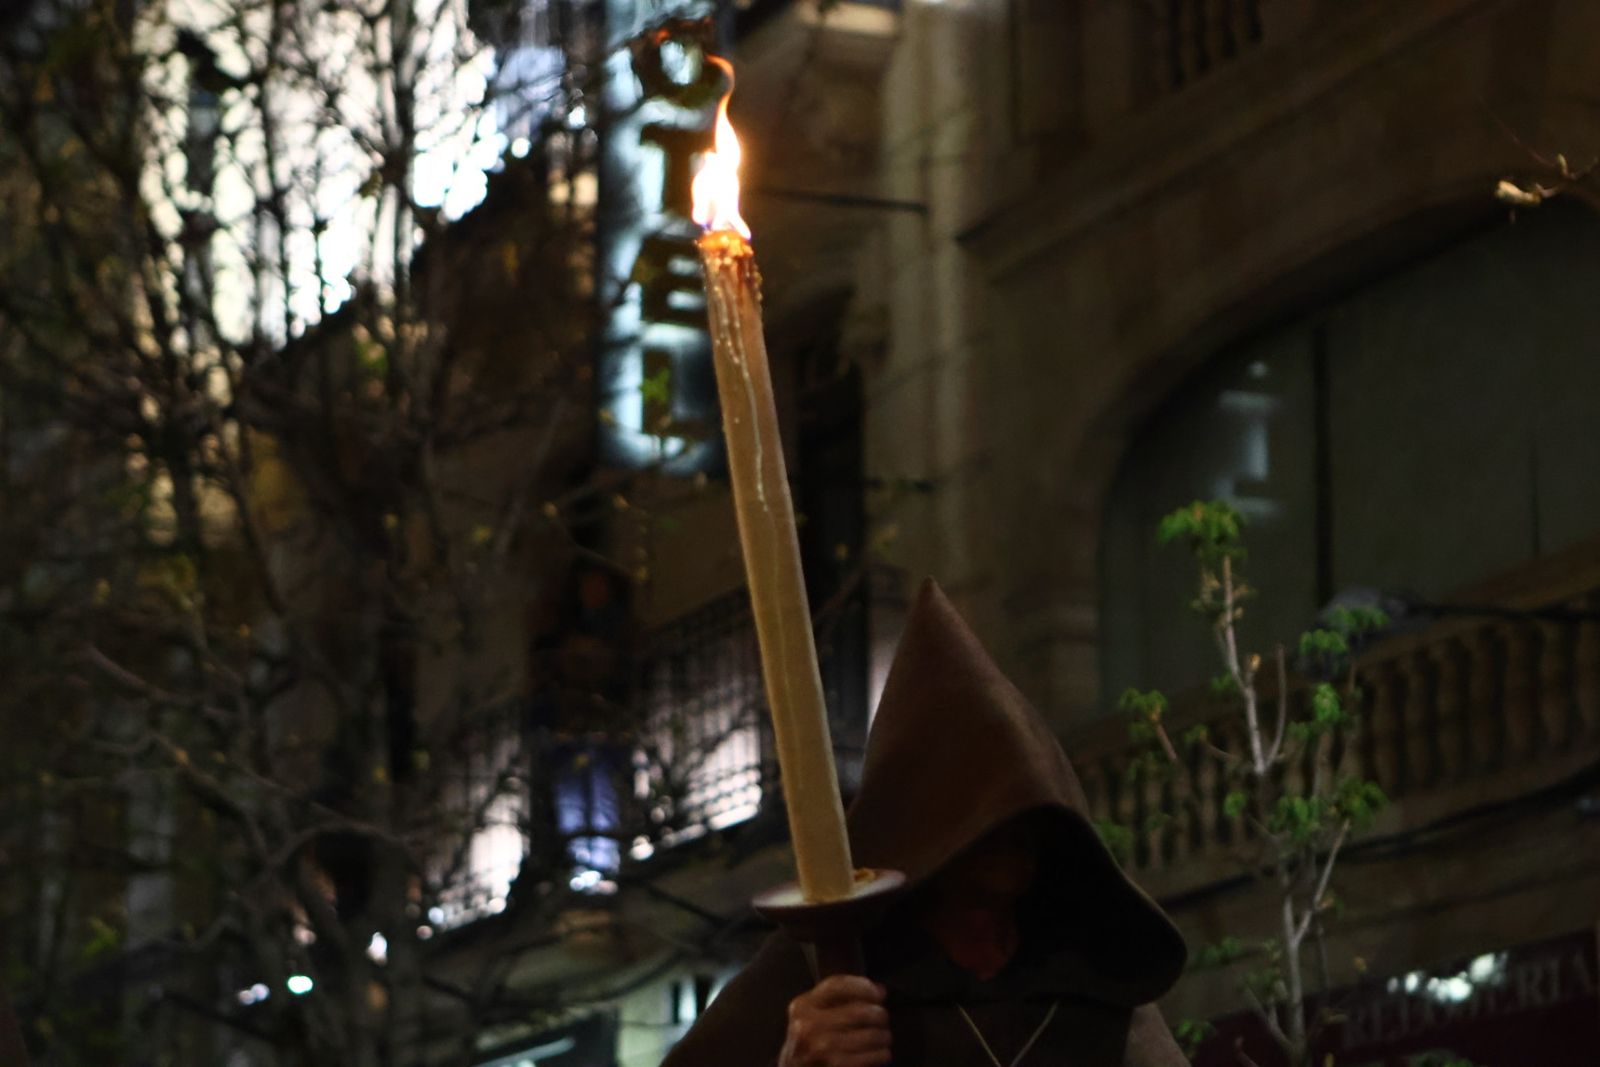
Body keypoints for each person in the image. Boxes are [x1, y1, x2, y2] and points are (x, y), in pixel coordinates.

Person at [661, 579, 1192, 1067]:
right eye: (977, 806)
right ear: (925, 821)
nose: (1007, 827)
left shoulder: (1088, 968)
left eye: (1022, 806)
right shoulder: (829, 965)